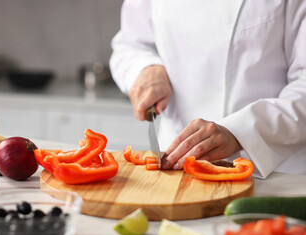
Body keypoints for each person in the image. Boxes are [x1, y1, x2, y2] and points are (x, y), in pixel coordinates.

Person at [109, 0, 306, 179]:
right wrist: (146, 68)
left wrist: (239, 132)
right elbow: (130, 44)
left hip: (273, 170)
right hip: (175, 167)